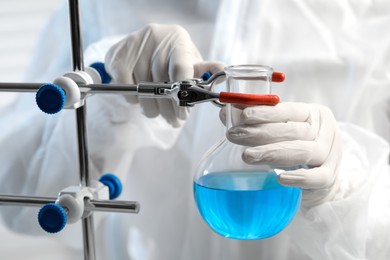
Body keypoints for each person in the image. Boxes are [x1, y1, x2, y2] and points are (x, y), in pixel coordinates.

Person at [0, 0, 389, 259]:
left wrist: (345, 185)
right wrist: (111, 89)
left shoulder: (369, 15)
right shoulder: (103, 6)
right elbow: (24, 198)